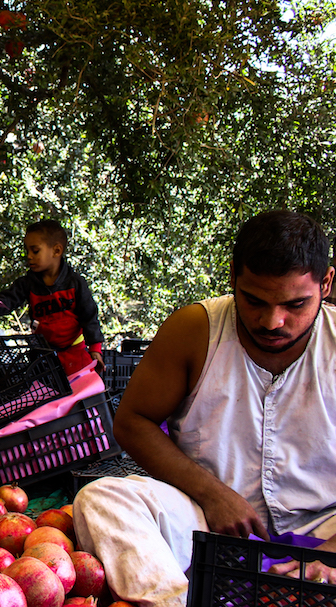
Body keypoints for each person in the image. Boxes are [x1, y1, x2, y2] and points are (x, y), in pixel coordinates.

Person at [72, 210, 336, 606]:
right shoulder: (195, 329)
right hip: (209, 522)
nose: (272, 321)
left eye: (295, 304)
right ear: (233, 276)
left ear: (326, 283)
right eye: (254, 301)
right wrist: (212, 494)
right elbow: (132, 423)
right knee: (101, 500)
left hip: (325, 525)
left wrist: (330, 554)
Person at [0, 219, 104, 375]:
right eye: (27, 251)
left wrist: (95, 349)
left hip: (75, 352)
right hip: (43, 355)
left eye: (35, 251)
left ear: (56, 251)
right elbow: (8, 302)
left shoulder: (75, 283)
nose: (29, 256)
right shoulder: (27, 283)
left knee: (81, 388)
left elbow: (89, 316)